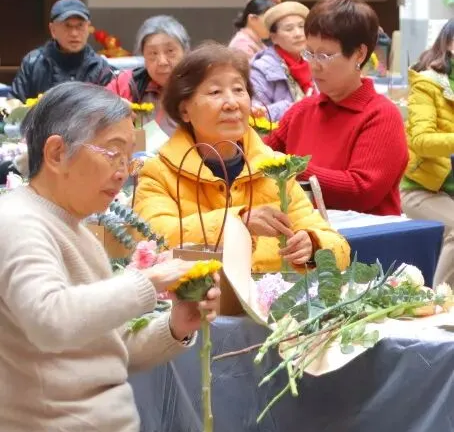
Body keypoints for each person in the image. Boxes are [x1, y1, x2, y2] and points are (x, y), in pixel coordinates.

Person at [0, 82, 252, 432]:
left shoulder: (71, 226)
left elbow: (110, 347)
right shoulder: (19, 222)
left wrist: (175, 326)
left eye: (129, 157)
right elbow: (50, 321)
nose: (123, 173)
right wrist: (149, 281)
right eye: (113, 153)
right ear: (56, 153)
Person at [134, 43, 350, 273]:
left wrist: (313, 245)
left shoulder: (275, 169)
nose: (232, 103)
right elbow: (153, 240)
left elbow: (339, 248)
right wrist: (237, 222)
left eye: (239, 90)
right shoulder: (158, 172)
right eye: (215, 92)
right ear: (184, 110)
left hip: (275, 295)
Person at [265, 0, 408, 216]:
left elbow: (361, 190)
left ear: (359, 54)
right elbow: (261, 155)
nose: (314, 65)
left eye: (325, 56)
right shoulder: (301, 111)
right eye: (309, 53)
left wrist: (289, 167)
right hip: (304, 232)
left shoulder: (381, 115)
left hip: (364, 235)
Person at [401, 19, 454, 287]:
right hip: (422, 189)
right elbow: (421, 141)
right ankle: (441, 301)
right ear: (451, 45)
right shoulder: (428, 84)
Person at [11, 0, 112, 102]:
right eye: (67, 26)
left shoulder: (100, 67)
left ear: (88, 28)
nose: (74, 33)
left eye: (80, 25)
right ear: (53, 30)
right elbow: (15, 105)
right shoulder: (33, 63)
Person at [107, 15, 189, 136]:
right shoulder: (126, 83)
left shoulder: (200, 84)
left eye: (170, 51)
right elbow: (92, 109)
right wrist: (113, 109)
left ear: (185, 52)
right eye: (153, 53)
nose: (162, 62)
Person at [250, 1, 313, 121]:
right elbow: (256, 115)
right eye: (289, 29)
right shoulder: (260, 68)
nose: (298, 34)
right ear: (274, 37)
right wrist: (295, 107)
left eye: (301, 26)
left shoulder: (314, 61)